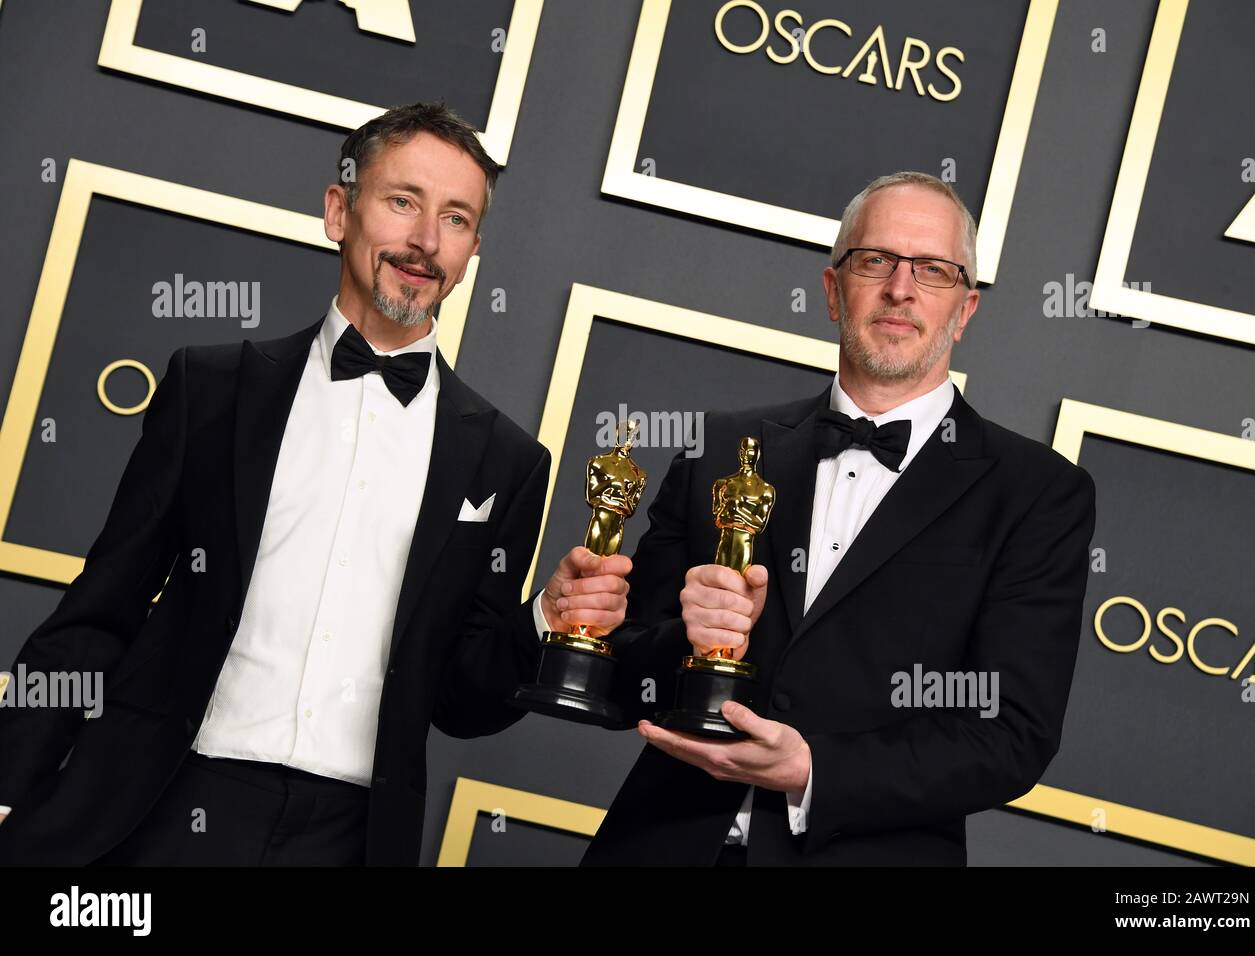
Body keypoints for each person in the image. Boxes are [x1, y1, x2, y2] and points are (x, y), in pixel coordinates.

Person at [0, 102, 630, 866]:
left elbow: (460, 701)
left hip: (350, 839)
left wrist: (543, 620)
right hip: (161, 802)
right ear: (339, 210)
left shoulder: (506, 461)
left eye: (456, 219)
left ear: (471, 251)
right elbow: (100, 610)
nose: (426, 242)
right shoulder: (214, 390)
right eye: (403, 202)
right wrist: (13, 781)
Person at [583, 172, 1096, 866]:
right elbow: (616, 674)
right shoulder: (719, 453)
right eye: (875, 260)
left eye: (933, 270)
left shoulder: (1038, 494)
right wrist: (688, 636)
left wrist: (814, 772)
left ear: (965, 309)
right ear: (832, 291)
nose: (901, 289)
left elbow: (1011, 735)